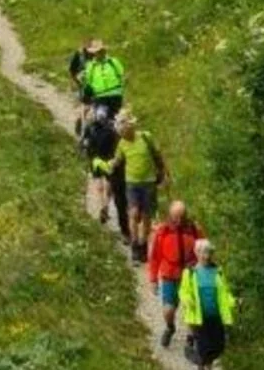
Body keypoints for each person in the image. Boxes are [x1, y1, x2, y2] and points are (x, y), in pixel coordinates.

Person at [95, 113, 165, 263]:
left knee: (146, 217)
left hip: (149, 183)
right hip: (131, 183)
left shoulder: (146, 137)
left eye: (123, 131)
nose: (122, 135)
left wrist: (163, 172)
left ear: (130, 127)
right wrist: (105, 165)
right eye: (120, 132)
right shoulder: (122, 143)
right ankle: (134, 245)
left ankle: (143, 245)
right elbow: (117, 160)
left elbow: (157, 154)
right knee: (133, 213)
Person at [149, 200, 205, 348]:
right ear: (170, 216)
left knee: (191, 308)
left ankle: (190, 337)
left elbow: (204, 251)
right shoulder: (163, 231)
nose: (178, 221)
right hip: (170, 274)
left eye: (181, 217)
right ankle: (170, 327)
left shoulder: (194, 229)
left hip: (190, 274)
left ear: (186, 215)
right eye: (175, 217)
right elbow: (155, 256)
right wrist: (153, 279)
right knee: (168, 310)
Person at [178, 239, 235, 370]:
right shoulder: (191, 272)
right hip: (199, 317)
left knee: (218, 346)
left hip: (216, 316)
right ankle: (203, 366)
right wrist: (187, 300)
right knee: (204, 348)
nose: (206, 256)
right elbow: (184, 291)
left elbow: (225, 292)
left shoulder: (218, 271)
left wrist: (233, 301)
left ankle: (201, 361)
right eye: (203, 253)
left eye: (209, 253)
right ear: (196, 253)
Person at [83, 102, 129, 241]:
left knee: (98, 184)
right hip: (109, 160)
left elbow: (85, 144)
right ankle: (106, 204)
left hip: (96, 160)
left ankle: (102, 205)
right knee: (108, 183)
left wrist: (88, 154)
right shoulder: (111, 130)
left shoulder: (90, 128)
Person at [80, 39, 125, 118]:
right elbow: (88, 83)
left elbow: (121, 75)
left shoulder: (113, 62)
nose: (100, 53)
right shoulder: (91, 66)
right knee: (101, 117)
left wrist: (121, 89)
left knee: (117, 119)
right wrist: (86, 96)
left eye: (101, 51)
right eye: (98, 52)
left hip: (116, 96)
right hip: (100, 97)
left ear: (104, 51)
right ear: (94, 53)